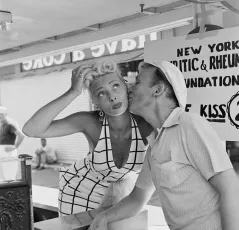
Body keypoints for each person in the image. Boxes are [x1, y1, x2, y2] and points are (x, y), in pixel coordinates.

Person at [84, 61, 239, 230]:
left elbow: (231, 189)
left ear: (157, 90)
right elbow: (138, 198)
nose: (130, 86)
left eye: (138, 81)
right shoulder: (157, 144)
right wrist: (103, 218)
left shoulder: (189, 125)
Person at [23, 60, 152, 216]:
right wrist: (73, 92)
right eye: (101, 93)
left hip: (119, 198)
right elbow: (31, 130)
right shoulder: (90, 122)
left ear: (126, 86)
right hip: (78, 193)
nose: (112, 97)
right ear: (95, 102)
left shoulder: (145, 122)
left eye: (115, 86)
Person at [0, 106, 25, 181]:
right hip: (2, 152)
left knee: (10, 175)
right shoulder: (2, 126)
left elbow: (21, 135)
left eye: (1, 114)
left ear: (5, 114)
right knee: (3, 175)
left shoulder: (10, 125)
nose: (0, 116)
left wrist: (15, 147)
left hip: (9, 152)